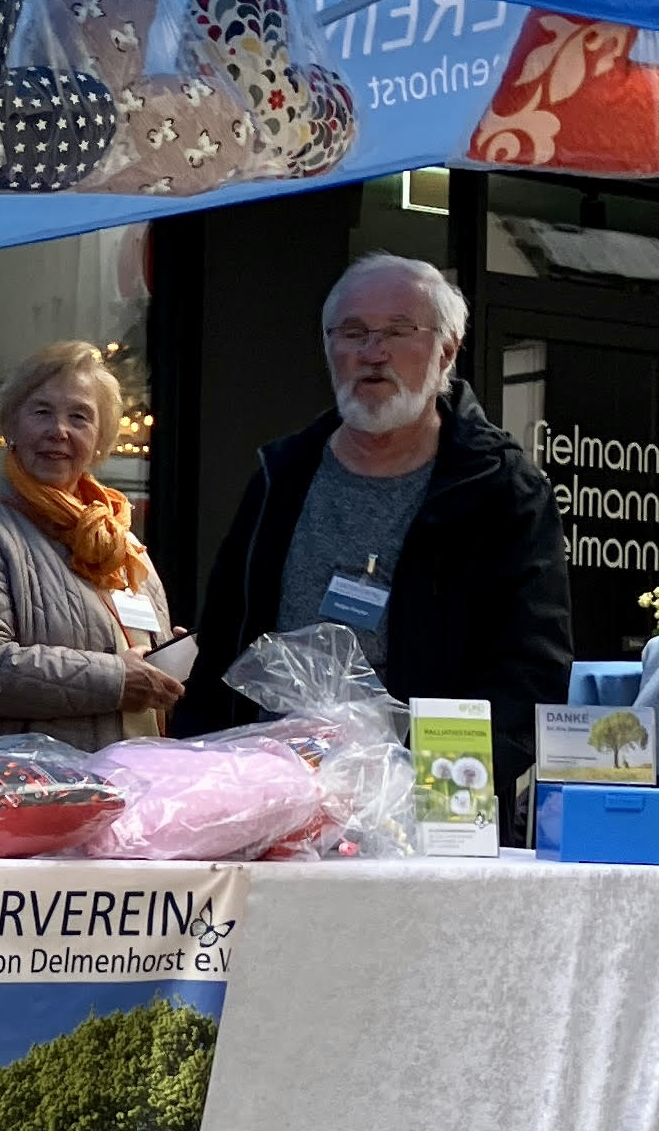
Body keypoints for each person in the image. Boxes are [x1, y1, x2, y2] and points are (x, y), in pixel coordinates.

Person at [187, 253, 571, 802]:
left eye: (398, 331)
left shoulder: (501, 489)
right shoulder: (282, 476)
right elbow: (222, 646)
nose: (373, 353)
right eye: (353, 333)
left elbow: (531, 674)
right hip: (264, 806)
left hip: (423, 814)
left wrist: (424, 792)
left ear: (447, 351)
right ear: (328, 349)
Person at [0, 341, 188, 748]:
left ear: (99, 439)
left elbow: (137, 654)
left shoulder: (122, 541)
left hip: (139, 779)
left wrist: (170, 661)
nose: (58, 430)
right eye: (41, 411)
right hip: (47, 787)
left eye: (79, 417)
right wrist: (116, 679)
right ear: (12, 426)